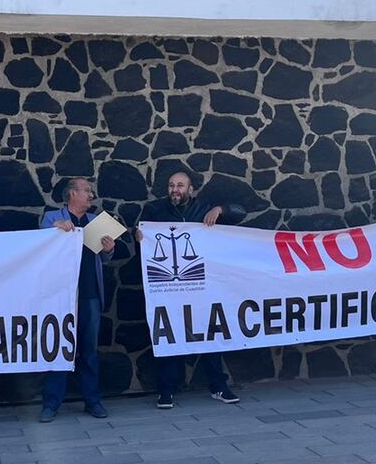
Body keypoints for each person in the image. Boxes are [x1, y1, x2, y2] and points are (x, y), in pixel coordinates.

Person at [137, 170, 245, 409]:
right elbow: (141, 238)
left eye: (180, 185)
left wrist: (221, 210)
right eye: (171, 185)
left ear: (191, 189)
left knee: (210, 334)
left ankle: (218, 386)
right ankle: (166, 390)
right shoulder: (154, 211)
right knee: (170, 335)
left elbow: (241, 212)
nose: (175, 190)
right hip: (168, 287)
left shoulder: (203, 208)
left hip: (201, 286)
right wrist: (141, 237)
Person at [38, 177, 115, 422]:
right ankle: (51, 403)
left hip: (90, 294)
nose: (91, 196)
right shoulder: (52, 218)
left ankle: (92, 400)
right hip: (61, 297)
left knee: (89, 351)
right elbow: (39, 246)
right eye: (87, 191)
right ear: (72, 193)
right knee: (60, 349)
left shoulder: (95, 222)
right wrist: (55, 229)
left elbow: (104, 260)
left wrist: (108, 249)